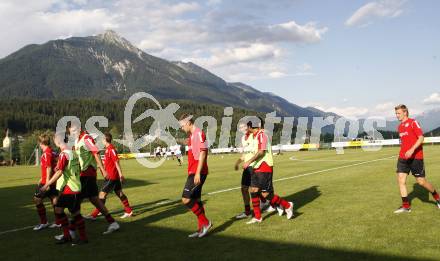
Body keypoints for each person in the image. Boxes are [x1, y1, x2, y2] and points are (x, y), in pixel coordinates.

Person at [67, 122, 119, 235]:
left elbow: (96, 153)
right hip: (83, 174)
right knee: (95, 200)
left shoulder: (86, 138)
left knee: (75, 201)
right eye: (71, 132)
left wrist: (103, 170)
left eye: (75, 131)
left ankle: (71, 231)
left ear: (79, 129)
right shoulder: (76, 141)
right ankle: (113, 223)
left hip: (87, 174)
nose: (73, 133)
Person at [243, 118, 294, 224]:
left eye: (248, 126)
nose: (247, 128)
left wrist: (249, 161)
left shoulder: (262, 135)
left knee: (266, 195)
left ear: (251, 127)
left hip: (264, 167)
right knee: (253, 190)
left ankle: (287, 205)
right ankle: (258, 217)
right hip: (256, 167)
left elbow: (261, 152)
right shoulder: (254, 136)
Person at [40, 132, 88, 245]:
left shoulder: (63, 154)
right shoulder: (73, 153)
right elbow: (75, 168)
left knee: (74, 214)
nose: (54, 141)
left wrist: (47, 184)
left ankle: (80, 237)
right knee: (60, 210)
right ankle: (69, 236)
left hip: (70, 189)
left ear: (59, 141)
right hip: (75, 187)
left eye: (55, 139)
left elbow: (60, 172)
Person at [394, 104, 440, 213]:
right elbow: (404, 142)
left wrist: (412, 150)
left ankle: (437, 197)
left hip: (416, 157)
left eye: (398, 113)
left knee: (421, 182)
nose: (397, 115)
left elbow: (421, 138)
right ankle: (406, 206)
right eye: (396, 113)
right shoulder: (399, 127)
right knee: (401, 180)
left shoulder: (413, 122)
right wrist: (403, 152)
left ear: (405, 112)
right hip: (403, 158)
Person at [179, 113, 211, 238]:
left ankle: (206, 223)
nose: (181, 128)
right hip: (193, 171)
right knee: (196, 200)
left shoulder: (198, 133)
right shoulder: (192, 135)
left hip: (198, 172)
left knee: (186, 199)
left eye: (182, 125)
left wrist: (197, 172)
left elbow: (203, 153)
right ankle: (201, 229)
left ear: (188, 123)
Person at [88, 133, 133, 219]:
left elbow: (116, 162)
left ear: (105, 139)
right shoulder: (107, 149)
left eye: (102, 139)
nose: (101, 141)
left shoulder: (111, 149)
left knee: (101, 195)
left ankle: (95, 214)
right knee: (119, 193)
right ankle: (129, 211)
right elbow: (109, 163)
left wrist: (121, 175)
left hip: (111, 177)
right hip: (112, 176)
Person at [33, 134, 59, 230]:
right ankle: (58, 221)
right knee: (54, 199)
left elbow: (49, 167)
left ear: (40, 143)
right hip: (52, 180)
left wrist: (47, 182)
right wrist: (41, 178)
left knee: (37, 199)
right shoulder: (51, 152)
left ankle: (44, 222)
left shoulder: (46, 153)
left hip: (47, 181)